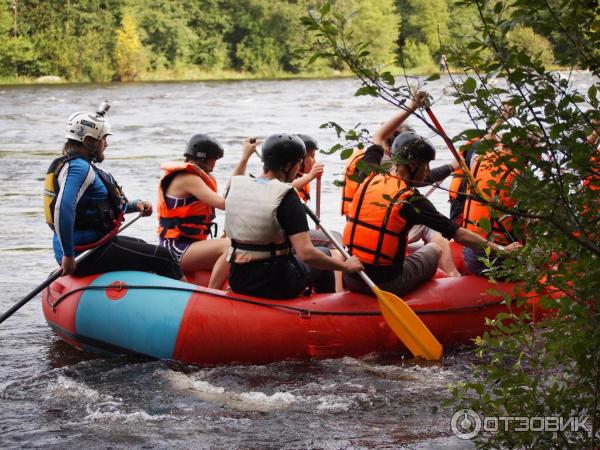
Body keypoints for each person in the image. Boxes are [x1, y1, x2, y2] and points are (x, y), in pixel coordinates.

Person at [342, 132, 521, 297]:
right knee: (436, 248)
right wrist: (502, 250)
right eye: (426, 164)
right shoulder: (410, 201)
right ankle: (452, 279)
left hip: (352, 277)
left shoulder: (371, 175)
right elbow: (459, 234)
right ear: (412, 165)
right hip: (385, 285)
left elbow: (379, 134)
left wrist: (413, 104)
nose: (427, 171)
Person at [44, 103, 182, 279]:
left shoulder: (74, 166)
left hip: (91, 246)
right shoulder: (79, 169)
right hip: (84, 254)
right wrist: (69, 256)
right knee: (165, 257)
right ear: (89, 141)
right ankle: (189, 302)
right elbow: (62, 209)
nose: (106, 144)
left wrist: (135, 205)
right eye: (103, 139)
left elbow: (98, 209)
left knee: (141, 244)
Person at [224, 133, 363, 300]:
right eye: (299, 163)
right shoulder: (287, 197)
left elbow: (237, 180)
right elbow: (306, 254)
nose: (299, 168)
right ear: (289, 165)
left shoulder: (236, 185)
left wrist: (244, 157)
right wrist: (345, 266)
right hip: (274, 283)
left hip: (239, 279)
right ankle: (327, 306)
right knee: (324, 253)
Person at [157, 134, 259, 288]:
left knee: (240, 255)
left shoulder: (198, 177)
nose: (215, 164)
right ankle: (212, 293)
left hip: (191, 246)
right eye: (214, 159)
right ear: (204, 158)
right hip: (176, 249)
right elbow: (225, 204)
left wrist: (244, 158)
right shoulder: (187, 178)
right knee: (231, 246)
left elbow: (231, 193)